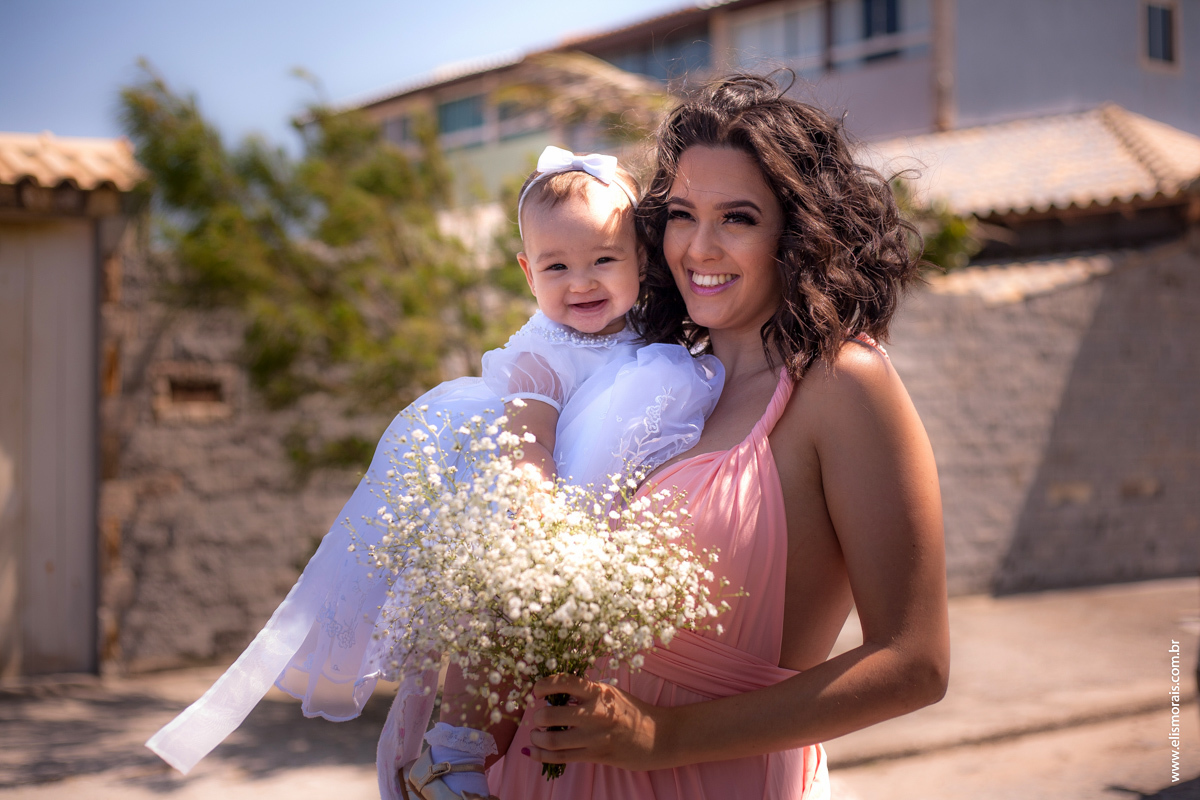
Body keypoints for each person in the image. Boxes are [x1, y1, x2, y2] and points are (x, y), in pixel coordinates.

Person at [145, 147, 724, 799]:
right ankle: (451, 753)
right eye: (556, 266)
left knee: (543, 671)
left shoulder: (660, 346)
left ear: (642, 262)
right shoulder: (540, 353)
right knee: (495, 625)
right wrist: (535, 524)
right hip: (527, 508)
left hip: (598, 546)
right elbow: (523, 443)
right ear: (526, 272)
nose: (580, 282)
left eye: (603, 261)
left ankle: (465, 760)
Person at [483, 74, 950, 799]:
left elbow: (914, 662)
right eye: (680, 214)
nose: (698, 247)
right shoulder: (650, 375)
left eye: (736, 217)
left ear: (797, 231)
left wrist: (663, 739)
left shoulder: (841, 383)